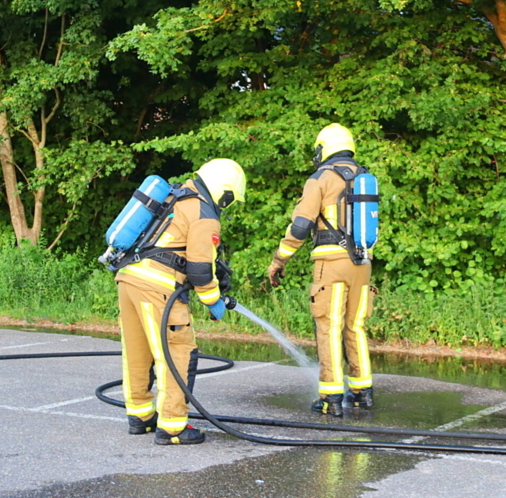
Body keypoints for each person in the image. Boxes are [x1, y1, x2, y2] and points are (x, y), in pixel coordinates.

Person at [115, 158, 246, 444]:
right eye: (229, 199)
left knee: (138, 352)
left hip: (129, 278)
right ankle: (173, 426)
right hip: (158, 287)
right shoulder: (203, 211)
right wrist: (213, 301)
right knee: (178, 352)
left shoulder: (176, 195)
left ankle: (140, 416)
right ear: (224, 191)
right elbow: (200, 269)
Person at [267, 124, 375, 417]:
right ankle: (362, 393)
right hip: (363, 264)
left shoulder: (321, 179)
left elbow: (301, 226)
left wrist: (279, 261)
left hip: (332, 265)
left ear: (323, 148)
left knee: (329, 328)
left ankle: (331, 398)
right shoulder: (364, 178)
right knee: (356, 327)